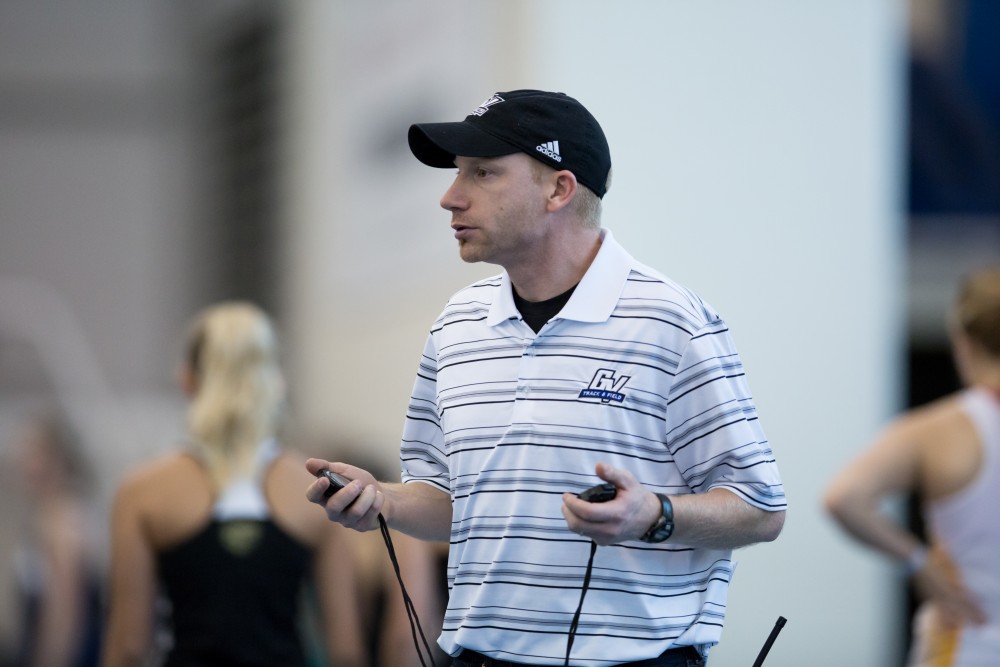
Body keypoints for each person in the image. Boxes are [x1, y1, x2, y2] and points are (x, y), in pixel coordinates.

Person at [306, 89, 786, 667]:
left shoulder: (672, 322)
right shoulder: (457, 324)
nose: (449, 198)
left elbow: (761, 509)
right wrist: (384, 500)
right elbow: (453, 505)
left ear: (559, 189)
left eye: (482, 173)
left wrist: (653, 515)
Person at [101, 301, 366, 667]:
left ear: (187, 379)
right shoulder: (317, 490)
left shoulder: (142, 492)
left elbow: (129, 647)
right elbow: (346, 651)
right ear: (276, 382)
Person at [825, 266, 1000, 667]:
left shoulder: (942, 430)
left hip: (968, 642)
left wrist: (918, 563)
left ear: (962, 340)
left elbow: (843, 497)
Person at [6, 412, 103, 667]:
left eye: (32, 455)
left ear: (56, 460)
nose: (23, 463)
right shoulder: (48, 514)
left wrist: (50, 660)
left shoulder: (61, 520)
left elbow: (65, 612)